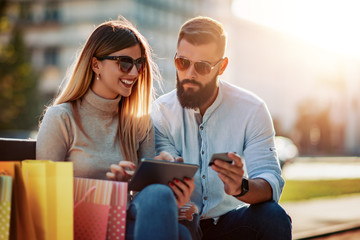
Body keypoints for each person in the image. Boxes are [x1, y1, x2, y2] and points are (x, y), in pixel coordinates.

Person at [36, 17, 194, 240]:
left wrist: (162, 177)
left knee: (170, 213)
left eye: (139, 64)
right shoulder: (62, 117)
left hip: (122, 223)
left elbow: (146, 199)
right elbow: (44, 197)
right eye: (125, 62)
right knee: (181, 235)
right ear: (95, 64)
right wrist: (108, 189)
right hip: (78, 227)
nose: (134, 73)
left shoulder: (140, 123)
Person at [151, 16, 292, 239]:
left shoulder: (252, 109)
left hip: (229, 223)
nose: (189, 74)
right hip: (181, 223)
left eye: (203, 66)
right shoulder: (160, 112)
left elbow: (270, 180)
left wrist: (240, 187)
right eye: (183, 63)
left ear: (222, 66)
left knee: (273, 216)